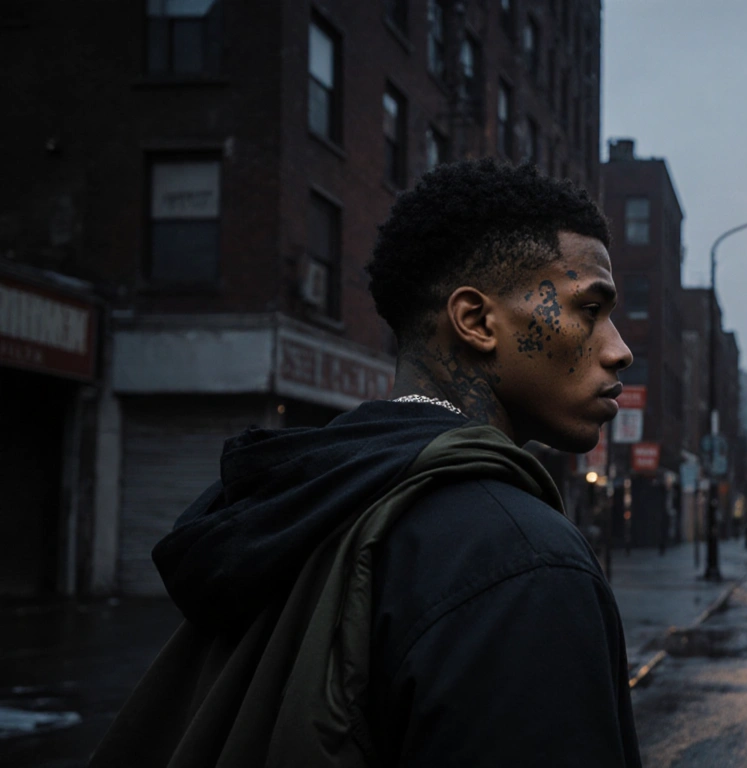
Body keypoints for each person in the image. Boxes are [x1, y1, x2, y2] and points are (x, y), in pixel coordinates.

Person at [90, 159, 640, 767]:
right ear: (478, 321)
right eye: (590, 309)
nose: (619, 349)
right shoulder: (521, 561)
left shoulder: (320, 495)